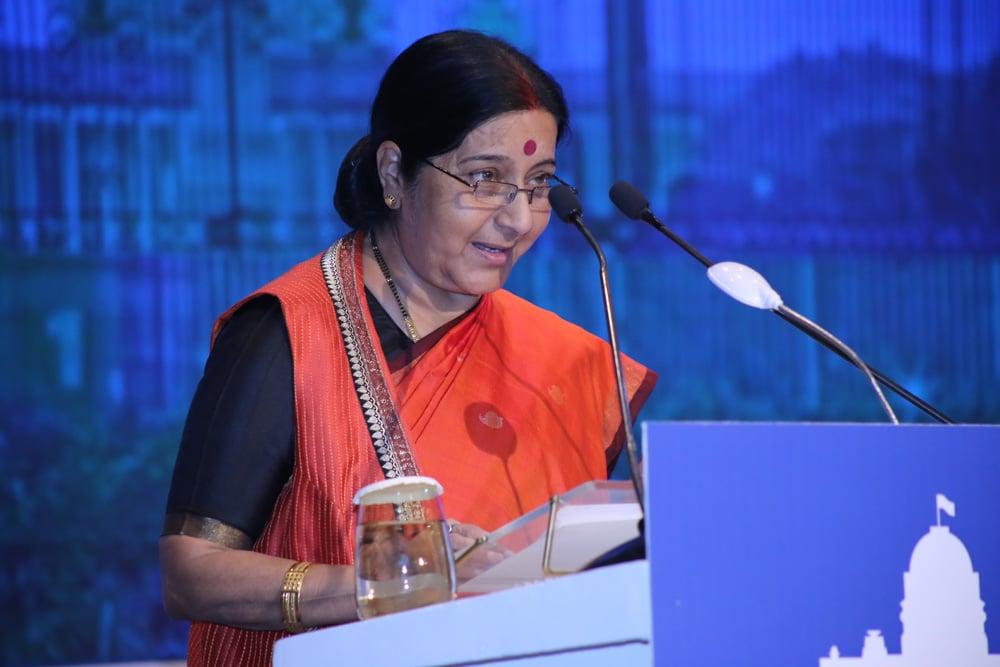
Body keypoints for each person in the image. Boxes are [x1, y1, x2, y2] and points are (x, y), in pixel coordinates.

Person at [159, 29, 656, 665]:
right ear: (395, 171)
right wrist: (388, 581)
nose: (518, 219)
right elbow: (191, 574)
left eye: (538, 184)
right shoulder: (288, 333)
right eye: (485, 179)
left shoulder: (561, 363)